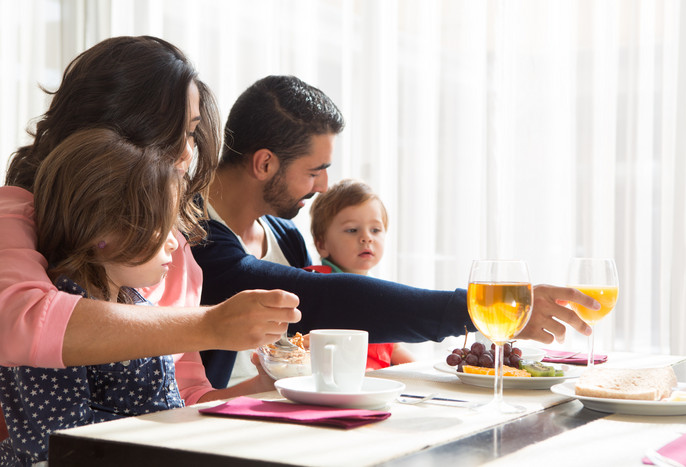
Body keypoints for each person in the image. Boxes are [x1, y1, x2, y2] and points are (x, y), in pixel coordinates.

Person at [193, 75, 598, 389]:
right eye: (315, 171)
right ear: (264, 164)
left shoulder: (285, 235)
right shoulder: (194, 238)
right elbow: (327, 300)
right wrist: (478, 308)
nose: (323, 187)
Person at [0, 37, 299, 380]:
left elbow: (183, 397)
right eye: (175, 132)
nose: (188, 155)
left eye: (191, 132)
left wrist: (265, 386)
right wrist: (208, 324)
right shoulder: (14, 212)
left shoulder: (173, 249)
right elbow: (18, 323)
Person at [2, 128, 198, 464]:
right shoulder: (60, 326)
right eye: (160, 226)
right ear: (103, 234)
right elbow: (59, 443)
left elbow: (168, 406)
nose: (173, 242)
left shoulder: (138, 303)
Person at [307, 179, 414, 369]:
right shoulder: (315, 287)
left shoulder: (380, 291)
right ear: (321, 244)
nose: (367, 238)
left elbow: (394, 349)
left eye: (375, 229)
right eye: (352, 230)